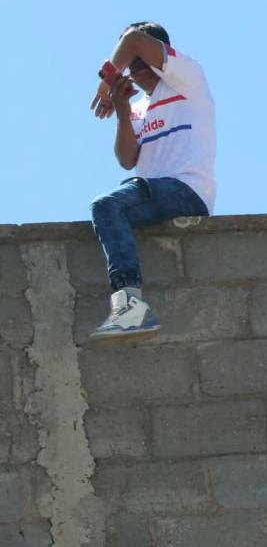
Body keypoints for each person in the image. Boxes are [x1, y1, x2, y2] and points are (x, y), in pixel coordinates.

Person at [88, 22, 216, 341]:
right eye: (132, 65)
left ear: (161, 57)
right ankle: (129, 305)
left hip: (187, 190)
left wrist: (106, 82)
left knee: (107, 205)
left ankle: (129, 306)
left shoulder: (187, 79)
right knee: (111, 204)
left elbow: (133, 40)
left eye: (143, 60)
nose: (138, 68)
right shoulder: (139, 108)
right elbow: (127, 159)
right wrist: (120, 107)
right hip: (154, 192)